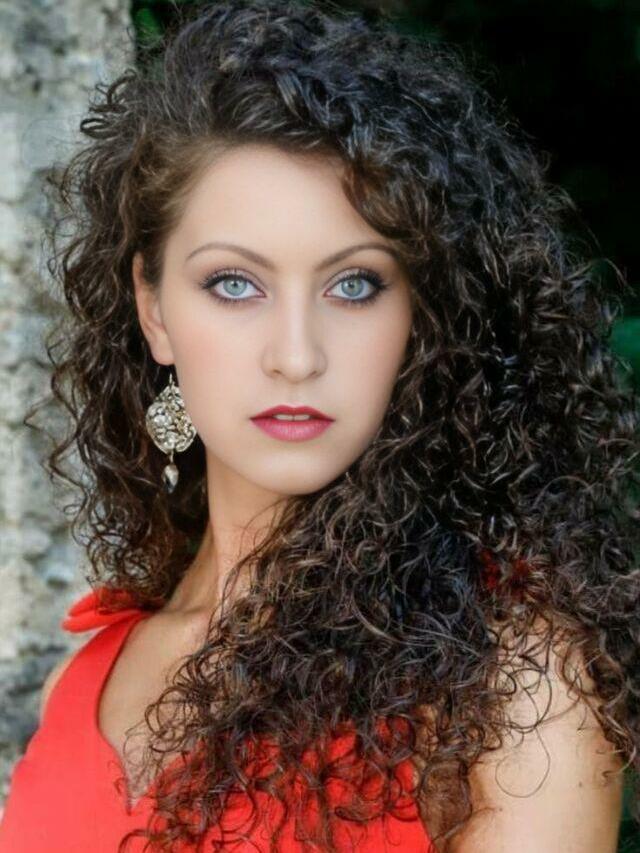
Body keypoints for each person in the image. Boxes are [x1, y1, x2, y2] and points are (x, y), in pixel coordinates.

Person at [1, 0, 638, 850]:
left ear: (421, 315)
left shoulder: (514, 690)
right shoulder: (77, 684)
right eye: (234, 284)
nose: (296, 356)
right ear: (153, 309)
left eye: (354, 285)